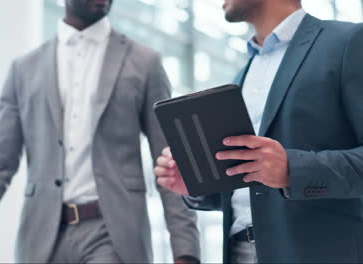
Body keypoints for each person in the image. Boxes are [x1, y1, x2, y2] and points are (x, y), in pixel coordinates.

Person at [0, 0, 200, 263]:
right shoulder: (24, 70)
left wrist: (185, 252)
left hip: (114, 234)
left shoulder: (145, 62)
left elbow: (170, 161)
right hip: (42, 236)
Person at [155, 0, 363, 263]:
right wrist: (197, 186)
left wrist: (291, 170)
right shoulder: (243, 74)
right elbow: (253, 189)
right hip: (239, 251)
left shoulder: (348, 42)